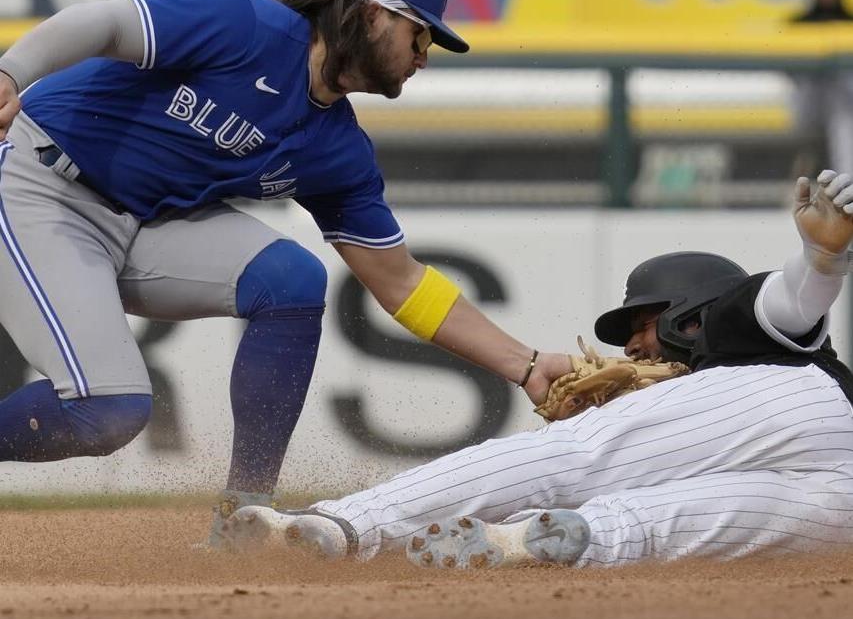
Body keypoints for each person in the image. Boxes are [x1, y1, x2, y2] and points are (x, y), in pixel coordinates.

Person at [0, 0, 570, 545]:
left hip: (139, 224)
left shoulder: (338, 149)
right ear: (373, 10)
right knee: (109, 412)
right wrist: (11, 71)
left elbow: (401, 283)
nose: (425, 54)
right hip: (38, 183)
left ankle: (243, 518)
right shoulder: (245, 24)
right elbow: (106, 24)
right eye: (420, 32)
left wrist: (528, 365)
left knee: (292, 280)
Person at [219, 170, 853, 568]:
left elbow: (790, 302)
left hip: (810, 404)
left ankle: (345, 523)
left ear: (691, 319)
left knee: (578, 452)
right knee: (687, 519)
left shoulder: (739, 328)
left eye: (640, 326)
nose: (630, 351)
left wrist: (821, 261)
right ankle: (533, 542)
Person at [789, 0, 853, 178]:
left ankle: (846, 187)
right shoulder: (799, 23)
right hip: (807, 103)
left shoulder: (848, 21)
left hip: (840, 105)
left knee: (843, 114)